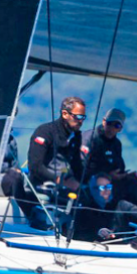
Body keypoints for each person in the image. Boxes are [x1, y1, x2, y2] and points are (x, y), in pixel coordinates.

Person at [14, 97, 87, 229]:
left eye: (83, 117)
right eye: (78, 117)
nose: (81, 121)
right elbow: (35, 166)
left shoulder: (76, 136)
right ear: (65, 114)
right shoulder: (45, 131)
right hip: (43, 184)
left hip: (65, 185)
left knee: (90, 197)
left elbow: (77, 166)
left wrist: (83, 181)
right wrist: (59, 180)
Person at [81, 108, 137, 212]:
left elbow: (119, 167)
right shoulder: (89, 139)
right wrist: (108, 176)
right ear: (103, 122)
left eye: (116, 125)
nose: (112, 128)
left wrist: (125, 175)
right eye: (109, 123)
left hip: (111, 183)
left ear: (120, 128)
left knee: (134, 185)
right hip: (91, 183)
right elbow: (81, 168)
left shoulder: (116, 144)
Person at [71, 174, 137, 243]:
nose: (106, 191)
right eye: (102, 188)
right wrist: (99, 232)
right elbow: (80, 234)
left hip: (120, 248)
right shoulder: (85, 208)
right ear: (94, 189)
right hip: (93, 247)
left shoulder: (122, 205)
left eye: (109, 187)